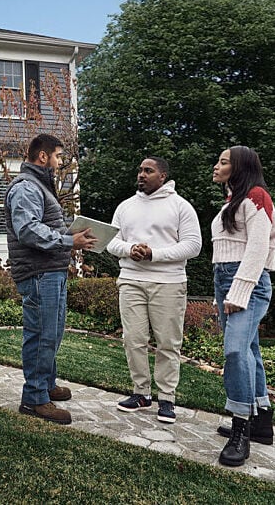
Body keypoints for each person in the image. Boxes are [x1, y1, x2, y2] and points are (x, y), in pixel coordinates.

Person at [5, 134, 97, 425]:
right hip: (38, 273)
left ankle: (45, 384)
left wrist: (70, 237)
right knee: (42, 334)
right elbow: (28, 230)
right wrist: (69, 240)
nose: (60, 163)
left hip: (51, 271)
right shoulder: (26, 188)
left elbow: (44, 226)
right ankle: (34, 399)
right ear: (42, 157)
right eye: (57, 156)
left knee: (52, 332)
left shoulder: (40, 186)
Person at [107, 157, 201, 423]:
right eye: (139, 170)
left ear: (163, 176)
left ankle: (167, 398)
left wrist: (154, 254)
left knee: (168, 343)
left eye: (148, 170)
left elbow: (193, 245)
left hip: (169, 282)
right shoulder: (126, 207)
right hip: (131, 279)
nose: (141, 174)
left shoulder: (180, 206)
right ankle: (141, 393)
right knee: (133, 339)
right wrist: (129, 249)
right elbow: (111, 241)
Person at [211, 146, 275, 467]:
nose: (217, 166)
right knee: (249, 350)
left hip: (248, 284)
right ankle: (262, 419)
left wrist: (238, 290)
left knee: (235, 351)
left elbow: (259, 246)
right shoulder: (234, 200)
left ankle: (242, 429)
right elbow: (227, 253)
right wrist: (221, 291)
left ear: (239, 167)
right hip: (230, 281)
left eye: (223, 162)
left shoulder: (256, 196)